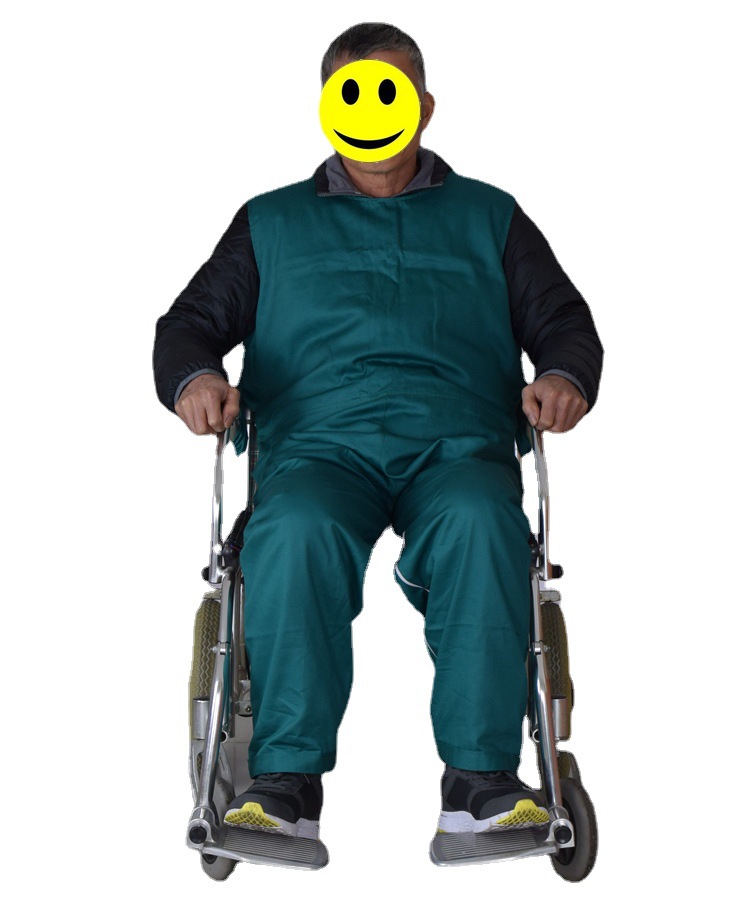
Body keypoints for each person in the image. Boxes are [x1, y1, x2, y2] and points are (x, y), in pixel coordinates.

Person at [153, 22, 603, 842]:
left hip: (457, 447)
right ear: (329, 107)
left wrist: (565, 378)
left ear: (424, 107)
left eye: (391, 94)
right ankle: (284, 783)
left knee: (481, 523)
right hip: (317, 449)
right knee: (293, 531)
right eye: (353, 95)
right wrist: (198, 380)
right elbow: (186, 327)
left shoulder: (491, 218)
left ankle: (480, 783)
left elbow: (566, 323)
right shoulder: (270, 223)